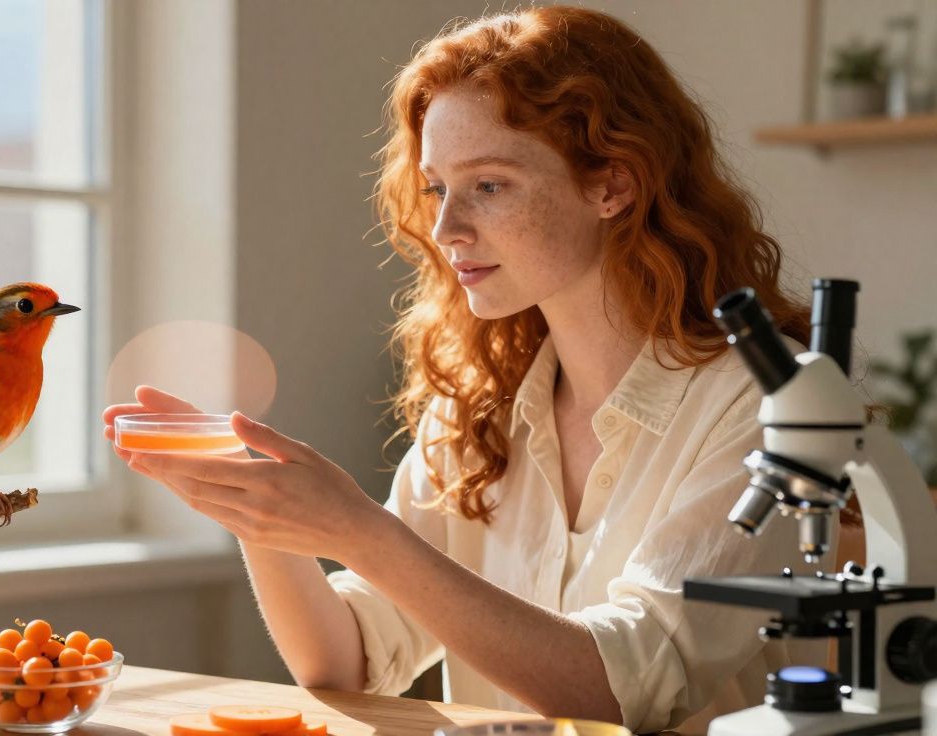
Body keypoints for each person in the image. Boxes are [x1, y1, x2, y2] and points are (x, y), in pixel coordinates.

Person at [103, 6, 826, 734]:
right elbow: (347, 665)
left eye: (489, 185)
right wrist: (254, 503)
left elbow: (622, 693)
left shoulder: (770, 403)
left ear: (613, 185)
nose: (447, 230)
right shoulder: (477, 410)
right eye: (437, 189)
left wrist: (361, 532)